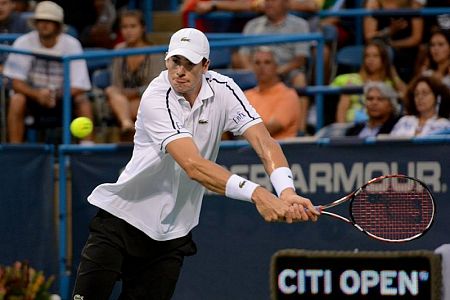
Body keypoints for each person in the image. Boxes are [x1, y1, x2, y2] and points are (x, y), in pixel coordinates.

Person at [71, 27, 320, 300]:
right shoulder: (157, 97)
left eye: (190, 64)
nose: (180, 71)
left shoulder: (224, 89)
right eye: (175, 62)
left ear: (206, 65)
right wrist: (259, 194)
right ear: (166, 61)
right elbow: (193, 165)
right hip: (122, 222)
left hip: (171, 236)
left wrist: (286, 191)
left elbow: (264, 141)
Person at [3, 1, 93, 143]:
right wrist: (37, 94)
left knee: (82, 100)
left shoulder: (72, 44)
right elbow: (15, 81)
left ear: (58, 25)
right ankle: (17, 152)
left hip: (63, 98)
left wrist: (54, 94)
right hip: (32, 98)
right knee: (17, 99)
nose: (44, 25)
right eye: (40, 21)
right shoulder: (23, 42)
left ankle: (87, 149)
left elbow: (80, 85)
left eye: (49, 21)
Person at [233, 0, 310, 132]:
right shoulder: (253, 25)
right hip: (256, 68)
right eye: (266, 0)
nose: (268, 4)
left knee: (300, 79)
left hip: (287, 69)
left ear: (286, 3)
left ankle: (302, 129)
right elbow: (243, 55)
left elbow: (300, 58)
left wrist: (277, 70)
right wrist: (253, 70)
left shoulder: (300, 25)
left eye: (273, 0)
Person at [105, 10, 165, 141]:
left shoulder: (154, 52)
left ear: (142, 28)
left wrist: (133, 93)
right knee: (111, 91)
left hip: (146, 99)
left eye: (133, 26)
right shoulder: (119, 50)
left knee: (132, 106)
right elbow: (116, 83)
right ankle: (126, 123)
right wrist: (124, 94)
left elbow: (156, 86)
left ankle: (126, 125)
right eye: (124, 27)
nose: (128, 31)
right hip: (122, 100)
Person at [332, 40, 406, 123]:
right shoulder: (352, 80)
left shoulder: (390, 83)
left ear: (383, 59)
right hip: (352, 128)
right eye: (367, 56)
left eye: (375, 56)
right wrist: (341, 129)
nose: (371, 60)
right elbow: (342, 109)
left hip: (382, 128)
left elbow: (407, 96)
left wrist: (393, 74)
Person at [244, 46, 300, 139]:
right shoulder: (246, 95)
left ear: (276, 67)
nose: (262, 67)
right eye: (257, 63)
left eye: (267, 62)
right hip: (244, 149)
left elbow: (270, 129)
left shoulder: (288, 95)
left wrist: (240, 129)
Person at [363, 0, 424, 82]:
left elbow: (416, 38)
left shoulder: (413, 4)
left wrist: (393, 44)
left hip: (407, 50)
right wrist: (390, 30)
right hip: (381, 48)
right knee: (377, 53)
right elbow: (369, 37)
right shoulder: (374, 3)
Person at [0, 0, 31, 70]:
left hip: (19, 70)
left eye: (4, 3)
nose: (0, 7)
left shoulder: (23, 23)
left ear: (13, 4)